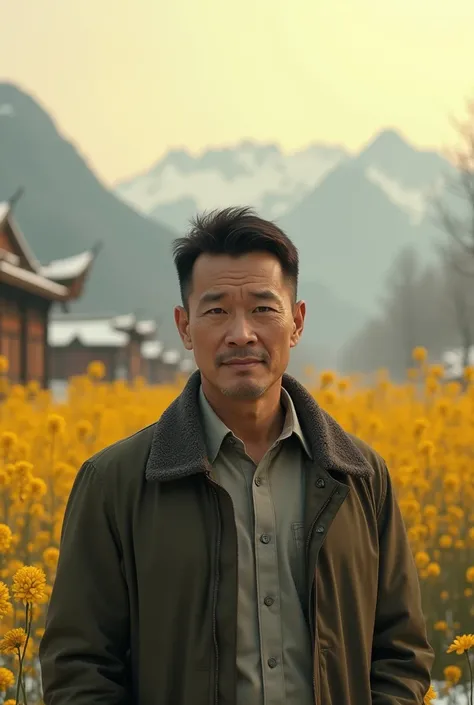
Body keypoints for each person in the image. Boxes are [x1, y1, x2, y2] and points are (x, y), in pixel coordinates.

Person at [39, 206, 434, 705]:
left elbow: (401, 651)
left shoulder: (359, 476)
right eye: (216, 309)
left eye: (264, 309)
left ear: (297, 323)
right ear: (184, 327)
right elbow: (79, 669)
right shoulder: (114, 484)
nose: (241, 333)